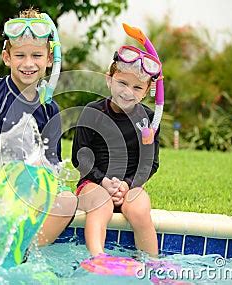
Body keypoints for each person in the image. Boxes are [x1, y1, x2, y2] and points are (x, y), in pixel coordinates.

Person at [0, 8, 77, 247]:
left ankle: (28, 251)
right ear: (7, 57)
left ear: (48, 59)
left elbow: (54, 160)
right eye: (20, 55)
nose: (28, 63)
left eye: (36, 55)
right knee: (2, 196)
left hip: (31, 180)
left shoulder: (50, 108)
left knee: (67, 201)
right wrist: (5, 168)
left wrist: (40, 177)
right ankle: (0, 247)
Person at [72, 41, 163, 257]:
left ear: (146, 91)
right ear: (109, 80)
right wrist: (102, 180)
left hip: (129, 186)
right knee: (101, 204)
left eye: (137, 87)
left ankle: (151, 266)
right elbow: (79, 157)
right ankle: (97, 258)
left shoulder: (149, 120)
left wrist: (127, 184)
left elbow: (151, 163)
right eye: (122, 83)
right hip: (93, 183)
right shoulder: (92, 112)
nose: (127, 92)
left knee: (140, 209)